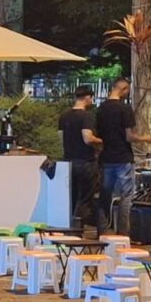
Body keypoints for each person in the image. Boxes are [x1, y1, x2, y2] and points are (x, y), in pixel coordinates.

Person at [96, 77, 151, 236]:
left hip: (106, 157)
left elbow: (99, 135)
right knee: (126, 196)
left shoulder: (100, 109)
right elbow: (129, 136)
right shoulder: (125, 108)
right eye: (127, 90)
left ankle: (102, 231)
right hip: (123, 158)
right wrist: (145, 138)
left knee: (105, 196)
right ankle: (123, 232)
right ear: (123, 89)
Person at [58, 85, 103, 226]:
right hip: (85, 161)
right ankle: (78, 226)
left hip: (69, 161)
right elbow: (87, 138)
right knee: (85, 198)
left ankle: (68, 224)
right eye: (91, 98)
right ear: (87, 97)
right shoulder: (86, 116)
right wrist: (101, 140)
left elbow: (60, 138)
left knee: (71, 196)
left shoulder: (64, 116)